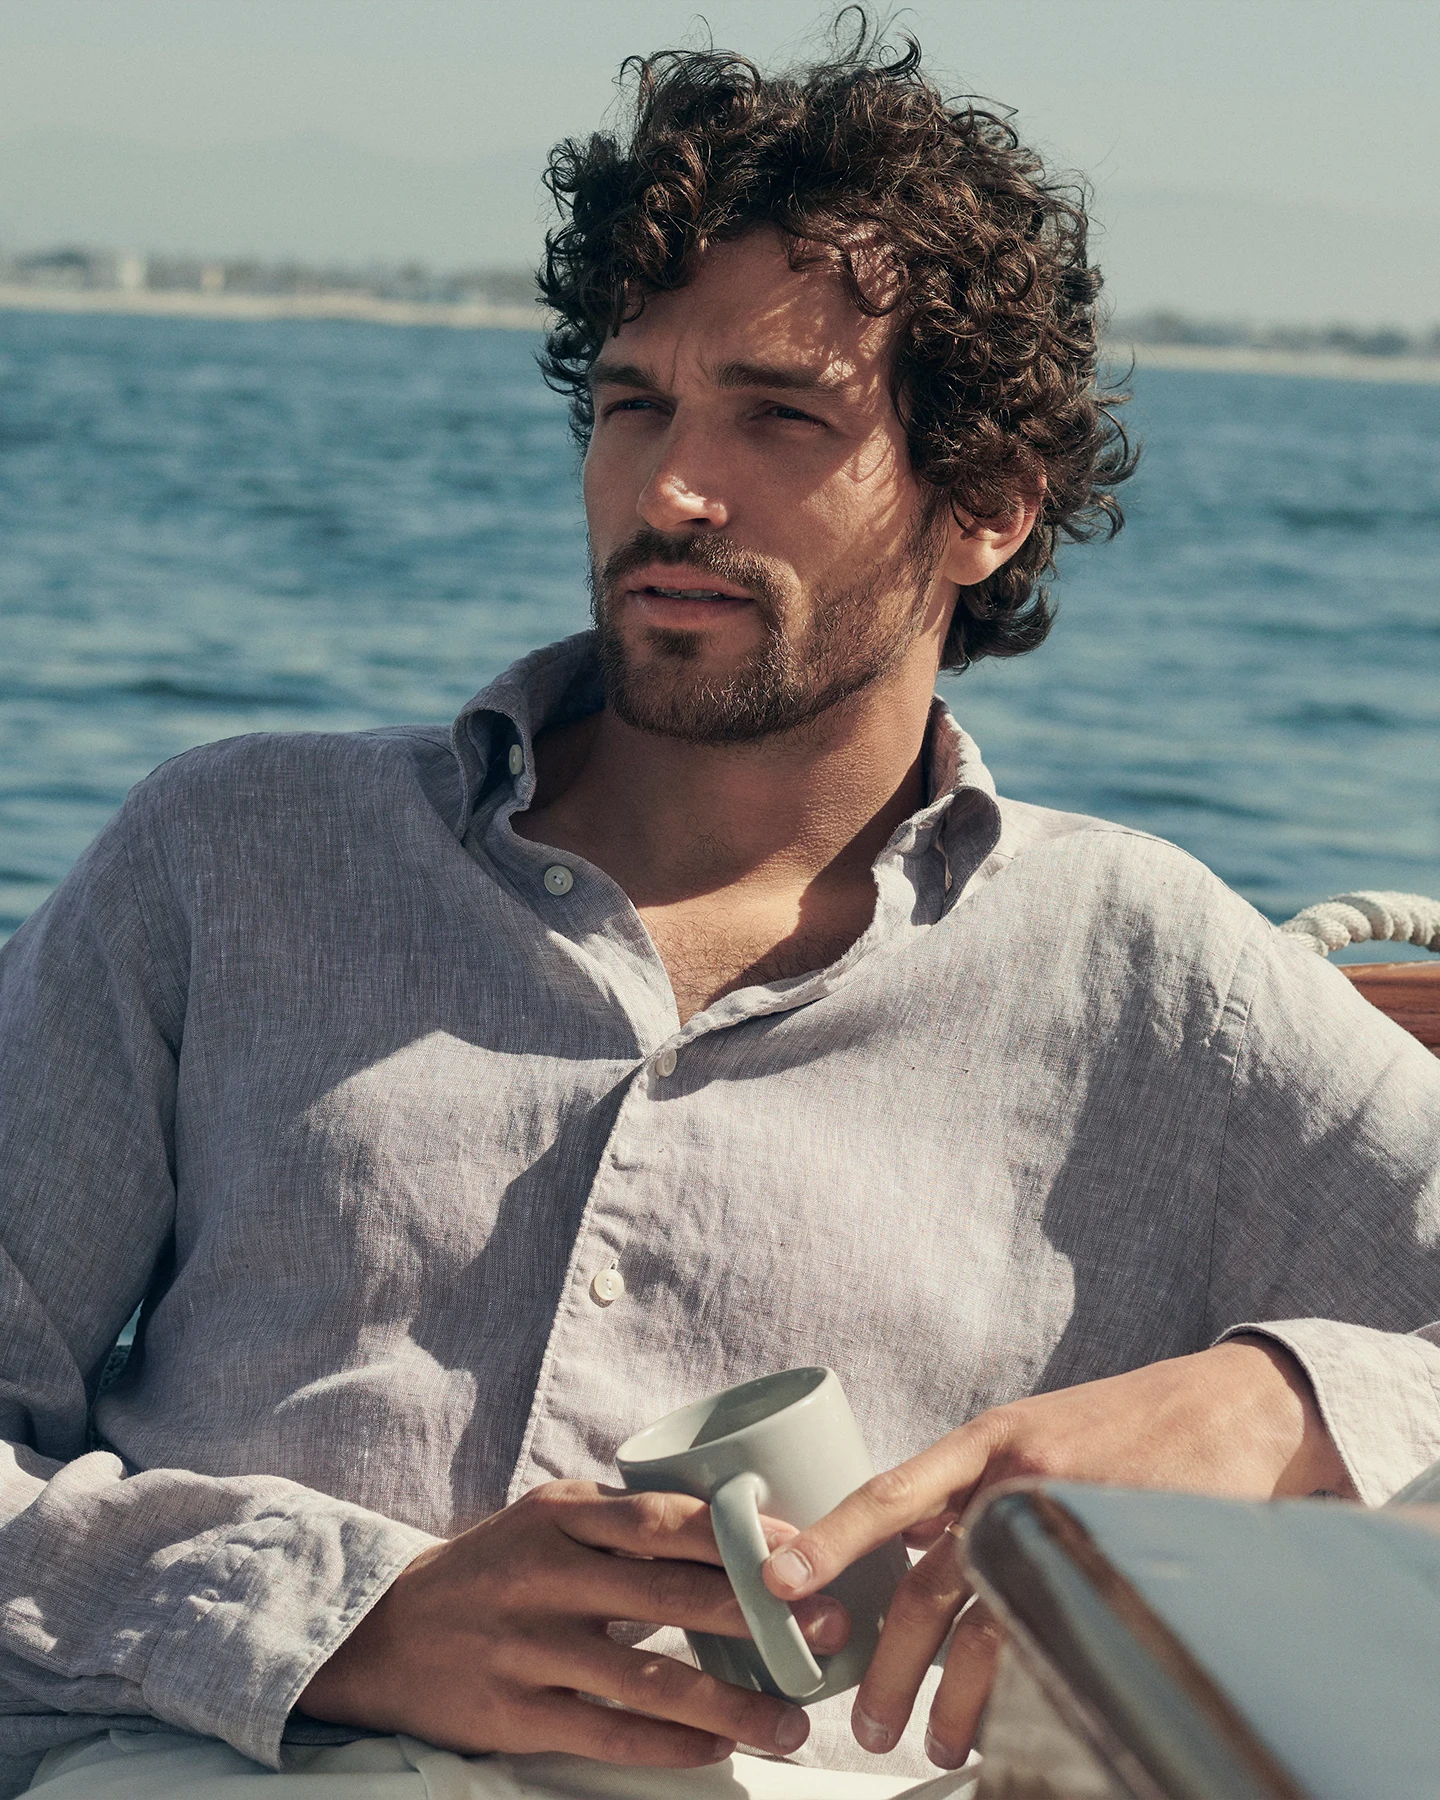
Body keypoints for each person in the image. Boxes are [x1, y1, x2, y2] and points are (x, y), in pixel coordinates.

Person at [2, 19, 1439, 1799]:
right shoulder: (227, 858)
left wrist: (1272, 1406)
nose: (669, 488)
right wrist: (333, 1621)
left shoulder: (1148, 975)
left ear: (984, 503)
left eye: (779, 417)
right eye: (632, 404)